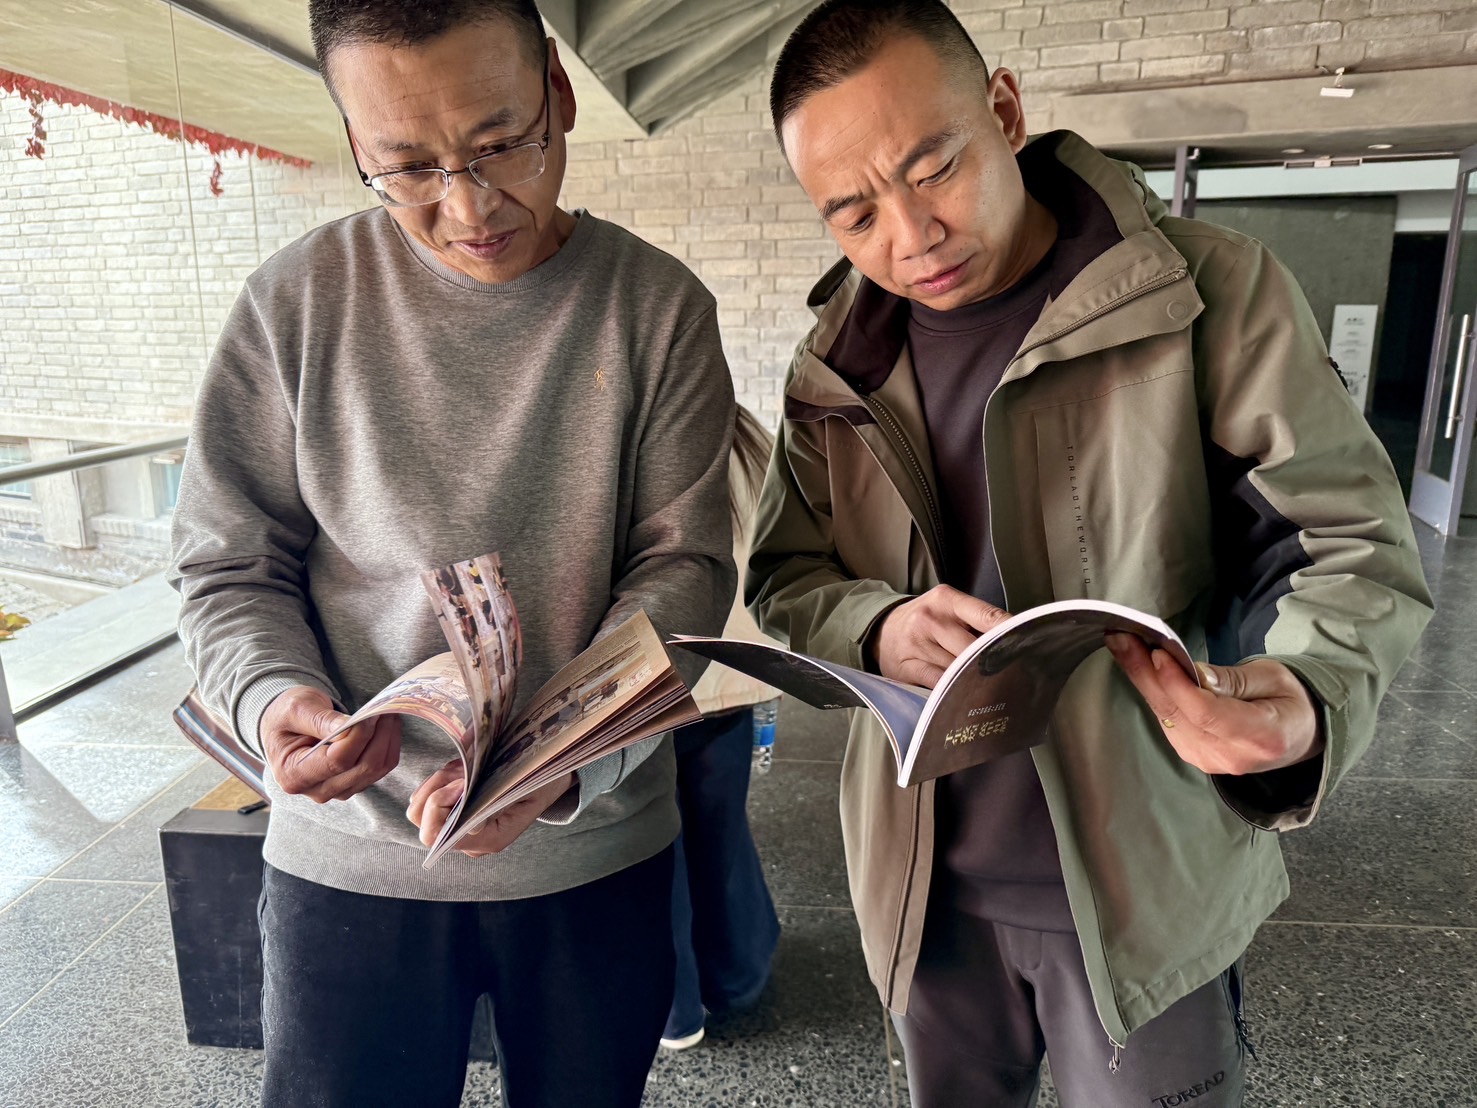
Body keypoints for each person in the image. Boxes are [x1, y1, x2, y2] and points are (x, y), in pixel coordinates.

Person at [748, 3, 1433, 1105]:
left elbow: (1345, 537)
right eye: (855, 213)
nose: (910, 235)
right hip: (920, 885)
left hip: (1141, 882)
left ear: (1004, 111)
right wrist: (875, 626)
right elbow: (785, 575)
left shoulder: (1202, 294)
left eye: (934, 168)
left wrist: (1306, 693)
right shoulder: (836, 365)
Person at [168, 1, 735, 1104]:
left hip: (593, 847)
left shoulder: (657, 307)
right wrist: (272, 697)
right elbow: (228, 561)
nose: (469, 206)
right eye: (408, 168)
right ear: (354, 143)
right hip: (348, 859)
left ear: (559, 93)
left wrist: (566, 758)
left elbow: (686, 569)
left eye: (501, 144)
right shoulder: (292, 303)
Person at [662, 406, 783, 1051]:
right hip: (733, 680)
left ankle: (677, 1007)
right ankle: (736, 975)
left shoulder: (636, 432)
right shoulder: (743, 434)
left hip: (650, 687)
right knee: (720, 831)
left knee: (656, 850)